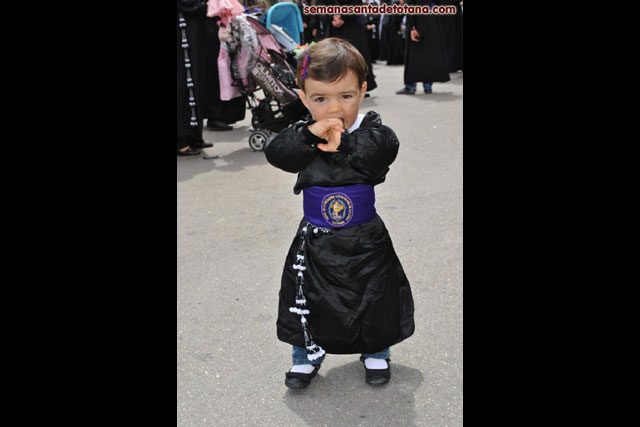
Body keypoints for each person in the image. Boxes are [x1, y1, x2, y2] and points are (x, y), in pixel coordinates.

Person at [264, 38, 415, 389]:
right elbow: (277, 153)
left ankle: (376, 349)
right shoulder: (304, 132)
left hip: (365, 237)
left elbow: (383, 149)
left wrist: (344, 142)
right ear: (303, 97)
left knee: (373, 295)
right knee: (305, 298)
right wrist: (308, 135)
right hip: (316, 238)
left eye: (345, 96)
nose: (335, 108)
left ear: (362, 90)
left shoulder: (370, 130)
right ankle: (305, 355)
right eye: (320, 99)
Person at [177, 0, 212, 156]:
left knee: (195, 82)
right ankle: (181, 140)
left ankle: (193, 135)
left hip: (193, 28)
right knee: (183, 83)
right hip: (183, 27)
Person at [395, 0, 450, 94]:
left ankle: (411, 86)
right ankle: (427, 85)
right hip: (432, 22)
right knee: (428, 54)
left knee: (413, 56)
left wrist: (412, 27)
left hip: (419, 22)